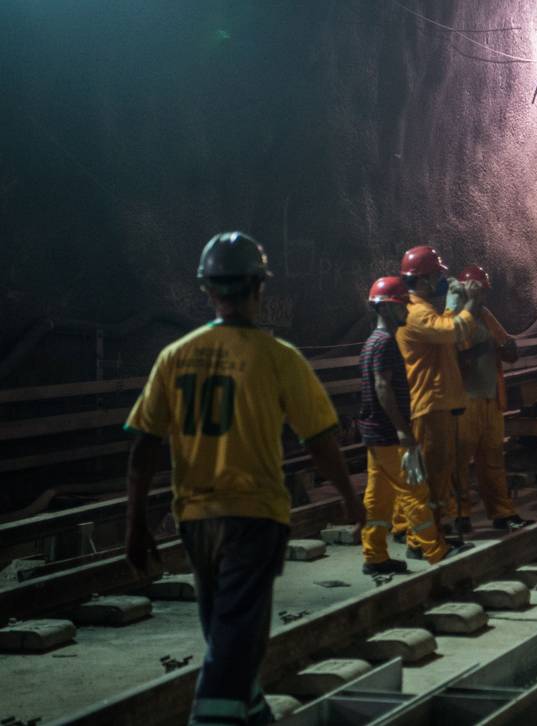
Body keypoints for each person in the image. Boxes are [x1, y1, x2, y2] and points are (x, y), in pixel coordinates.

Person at [123, 231, 363, 725]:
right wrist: (349, 497)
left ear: (207, 290)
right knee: (232, 645)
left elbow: (143, 446)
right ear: (259, 289)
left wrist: (134, 523)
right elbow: (318, 439)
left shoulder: (175, 356)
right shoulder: (279, 358)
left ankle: (252, 715)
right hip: (254, 518)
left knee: (226, 637)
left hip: (194, 519)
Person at [357, 276, 451, 572]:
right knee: (414, 491)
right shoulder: (385, 343)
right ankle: (436, 552)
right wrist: (402, 430)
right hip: (388, 434)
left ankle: (375, 556)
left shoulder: (372, 342)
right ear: (385, 309)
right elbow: (383, 387)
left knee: (379, 498)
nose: (406, 312)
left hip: (374, 433)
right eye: (400, 307)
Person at [396, 245, 480, 546]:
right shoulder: (415, 313)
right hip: (429, 404)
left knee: (439, 477)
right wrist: (469, 304)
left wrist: (452, 307)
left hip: (440, 403)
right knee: (429, 479)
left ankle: (434, 533)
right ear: (423, 279)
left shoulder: (425, 311)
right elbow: (452, 332)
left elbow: (446, 330)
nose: (441, 280)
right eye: (436, 275)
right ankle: (421, 540)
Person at [447, 265, 534, 533]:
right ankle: (458, 515)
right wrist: (481, 349)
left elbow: (507, 346)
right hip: (464, 401)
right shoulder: (453, 319)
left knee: (493, 460)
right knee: (458, 462)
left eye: (485, 291)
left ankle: (502, 513)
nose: (484, 295)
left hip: (490, 400)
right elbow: (451, 353)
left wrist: (508, 348)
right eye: (480, 290)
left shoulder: (484, 315)